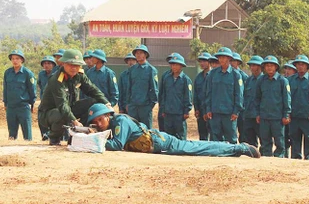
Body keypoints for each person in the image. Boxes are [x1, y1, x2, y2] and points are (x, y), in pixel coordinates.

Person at [87, 103, 261, 158]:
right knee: (196, 146)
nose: (99, 124)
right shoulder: (113, 124)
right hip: (158, 144)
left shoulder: (120, 121)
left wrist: (93, 140)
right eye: (96, 122)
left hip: (162, 142)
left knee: (198, 149)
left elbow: (117, 144)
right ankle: (231, 147)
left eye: (100, 119)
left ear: (108, 116)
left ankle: (240, 148)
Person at [38, 49, 110, 145]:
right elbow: (62, 105)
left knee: (93, 102)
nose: (73, 68)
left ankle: (81, 134)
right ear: (64, 64)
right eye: (70, 64)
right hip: (49, 113)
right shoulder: (56, 80)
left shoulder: (79, 75)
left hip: (69, 107)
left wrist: (106, 104)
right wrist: (74, 121)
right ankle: (54, 138)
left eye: (76, 65)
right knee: (61, 113)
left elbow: (92, 90)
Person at [204, 47, 243, 144]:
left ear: (229, 59)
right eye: (220, 57)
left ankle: (232, 158)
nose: (221, 60)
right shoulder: (212, 74)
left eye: (224, 57)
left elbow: (239, 95)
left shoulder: (236, 75)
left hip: (229, 114)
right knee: (215, 139)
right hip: (215, 112)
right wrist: (208, 109)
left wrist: (236, 111)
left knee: (231, 139)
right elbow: (208, 93)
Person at [255, 55, 291, 157]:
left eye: (272, 65)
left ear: (276, 67)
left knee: (279, 141)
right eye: (267, 66)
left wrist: (286, 114)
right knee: (265, 141)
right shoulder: (261, 81)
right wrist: (258, 113)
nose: (269, 68)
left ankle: (279, 159)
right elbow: (257, 98)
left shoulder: (283, 81)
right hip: (264, 116)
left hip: (278, 117)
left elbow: (287, 99)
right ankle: (267, 159)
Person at [3, 49, 37, 140]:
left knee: (27, 132)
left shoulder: (27, 73)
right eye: (13, 59)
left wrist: (32, 103)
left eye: (17, 58)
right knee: (11, 133)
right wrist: (5, 103)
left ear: (22, 60)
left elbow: (32, 89)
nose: (15, 61)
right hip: (11, 106)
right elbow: (5, 89)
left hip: (23, 105)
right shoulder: (7, 73)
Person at [160, 54, 192, 140]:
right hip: (168, 113)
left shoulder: (186, 80)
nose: (174, 66)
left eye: (176, 64)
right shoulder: (166, 78)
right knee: (169, 136)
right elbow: (164, 95)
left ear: (181, 66)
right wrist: (163, 109)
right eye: (172, 64)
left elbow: (188, 96)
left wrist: (186, 111)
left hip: (179, 114)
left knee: (180, 136)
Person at [288, 55, 309, 160]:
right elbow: (287, 98)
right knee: (294, 137)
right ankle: (296, 157)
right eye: (298, 64)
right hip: (294, 115)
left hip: (307, 116)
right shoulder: (289, 80)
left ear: (307, 66)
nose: (300, 66)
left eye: (303, 64)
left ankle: (308, 157)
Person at [127, 44, 158, 129]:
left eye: (141, 53)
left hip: (145, 107)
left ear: (145, 55)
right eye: (136, 53)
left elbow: (154, 89)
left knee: (146, 132)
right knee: (133, 130)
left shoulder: (151, 70)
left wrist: (150, 105)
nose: (138, 55)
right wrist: (129, 103)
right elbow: (129, 88)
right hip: (133, 106)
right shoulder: (132, 69)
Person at [242, 55, 264, 148]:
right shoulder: (248, 80)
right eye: (251, 65)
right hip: (248, 115)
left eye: (254, 65)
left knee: (263, 138)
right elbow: (245, 97)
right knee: (250, 140)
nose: (252, 68)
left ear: (260, 67)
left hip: (260, 115)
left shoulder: (264, 80)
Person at [158, 52, 181, 131]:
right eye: (171, 62)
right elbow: (161, 92)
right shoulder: (165, 75)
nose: (172, 65)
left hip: (177, 111)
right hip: (165, 108)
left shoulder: (183, 78)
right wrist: (161, 106)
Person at [37, 55, 56, 140]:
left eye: (49, 63)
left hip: (55, 101)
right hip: (44, 101)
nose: (46, 65)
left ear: (53, 65)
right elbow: (40, 85)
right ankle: (44, 135)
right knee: (41, 118)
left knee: (54, 119)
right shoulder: (41, 74)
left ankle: (51, 135)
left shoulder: (56, 74)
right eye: (44, 63)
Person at [231, 52, 249, 144]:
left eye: (234, 61)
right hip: (230, 108)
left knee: (243, 132)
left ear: (238, 63)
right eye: (231, 60)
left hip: (242, 109)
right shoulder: (228, 74)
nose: (232, 63)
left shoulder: (244, 76)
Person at [193, 52, 211, 141]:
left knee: (213, 134)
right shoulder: (198, 77)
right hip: (200, 110)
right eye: (200, 61)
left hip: (211, 110)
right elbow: (195, 94)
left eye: (204, 61)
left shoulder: (213, 76)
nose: (202, 63)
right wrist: (196, 108)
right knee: (202, 134)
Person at [282, 60, 297, 158]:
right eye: (286, 69)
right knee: (284, 136)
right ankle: (285, 157)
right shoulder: (282, 81)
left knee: (294, 138)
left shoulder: (296, 81)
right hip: (284, 114)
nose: (287, 71)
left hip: (296, 114)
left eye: (290, 69)